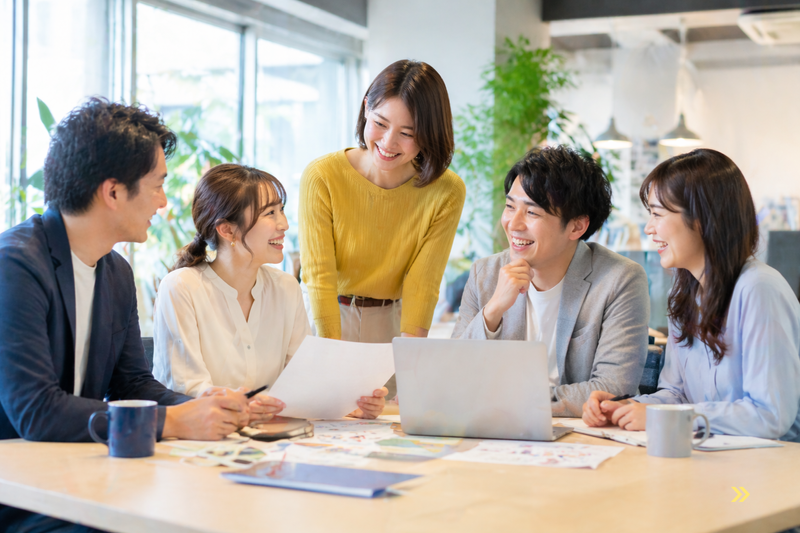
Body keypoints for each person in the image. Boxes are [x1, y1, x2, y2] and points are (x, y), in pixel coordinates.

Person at [0, 98, 252, 531]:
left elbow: (133, 383)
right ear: (113, 192)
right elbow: (36, 411)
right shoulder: (15, 265)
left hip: (81, 475)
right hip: (21, 494)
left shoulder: (115, 271)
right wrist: (172, 420)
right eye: (157, 185)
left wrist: (199, 406)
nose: (163, 202)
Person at [582, 149, 800, 441]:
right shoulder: (685, 292)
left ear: (701, 219)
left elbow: (769, 415)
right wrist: (625, 408)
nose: (649, 228)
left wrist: (665, 416)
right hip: (711, 461)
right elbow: (677, 394)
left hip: (767, 471)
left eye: (657, 214)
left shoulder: (759, 289)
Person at [152, 164, 387, 419]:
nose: (283, 224)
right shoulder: (181, 288)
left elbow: (305, 381)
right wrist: (246, 405)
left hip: (270, 437)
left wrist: (351, 403)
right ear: (227, 229)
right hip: (201, 440)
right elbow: (186, 388)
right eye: (270, 213)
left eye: (281, 210)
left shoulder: (286, 288)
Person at [299, 60, 466, 397]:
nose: (389, 143)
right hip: (325, 316)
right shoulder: (322, 176)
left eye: (408, 133)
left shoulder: (446, 190)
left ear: (429, 136)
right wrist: (332, 353)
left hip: (393, 325)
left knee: (387, 427)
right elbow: (318, 275)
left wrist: (411, 361)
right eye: (380, 123)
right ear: (366, 108)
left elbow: (424, 282)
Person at [452, 146, 650, 417]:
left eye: (532, 213)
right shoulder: (484, 274)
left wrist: (517, 400)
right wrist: (493, 310)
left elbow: (614, 386)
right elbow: (453, 376)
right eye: (510, 207)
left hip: (580, 437)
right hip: (494, 431)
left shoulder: (619, 279)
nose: (513, 223)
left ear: (577, 226)